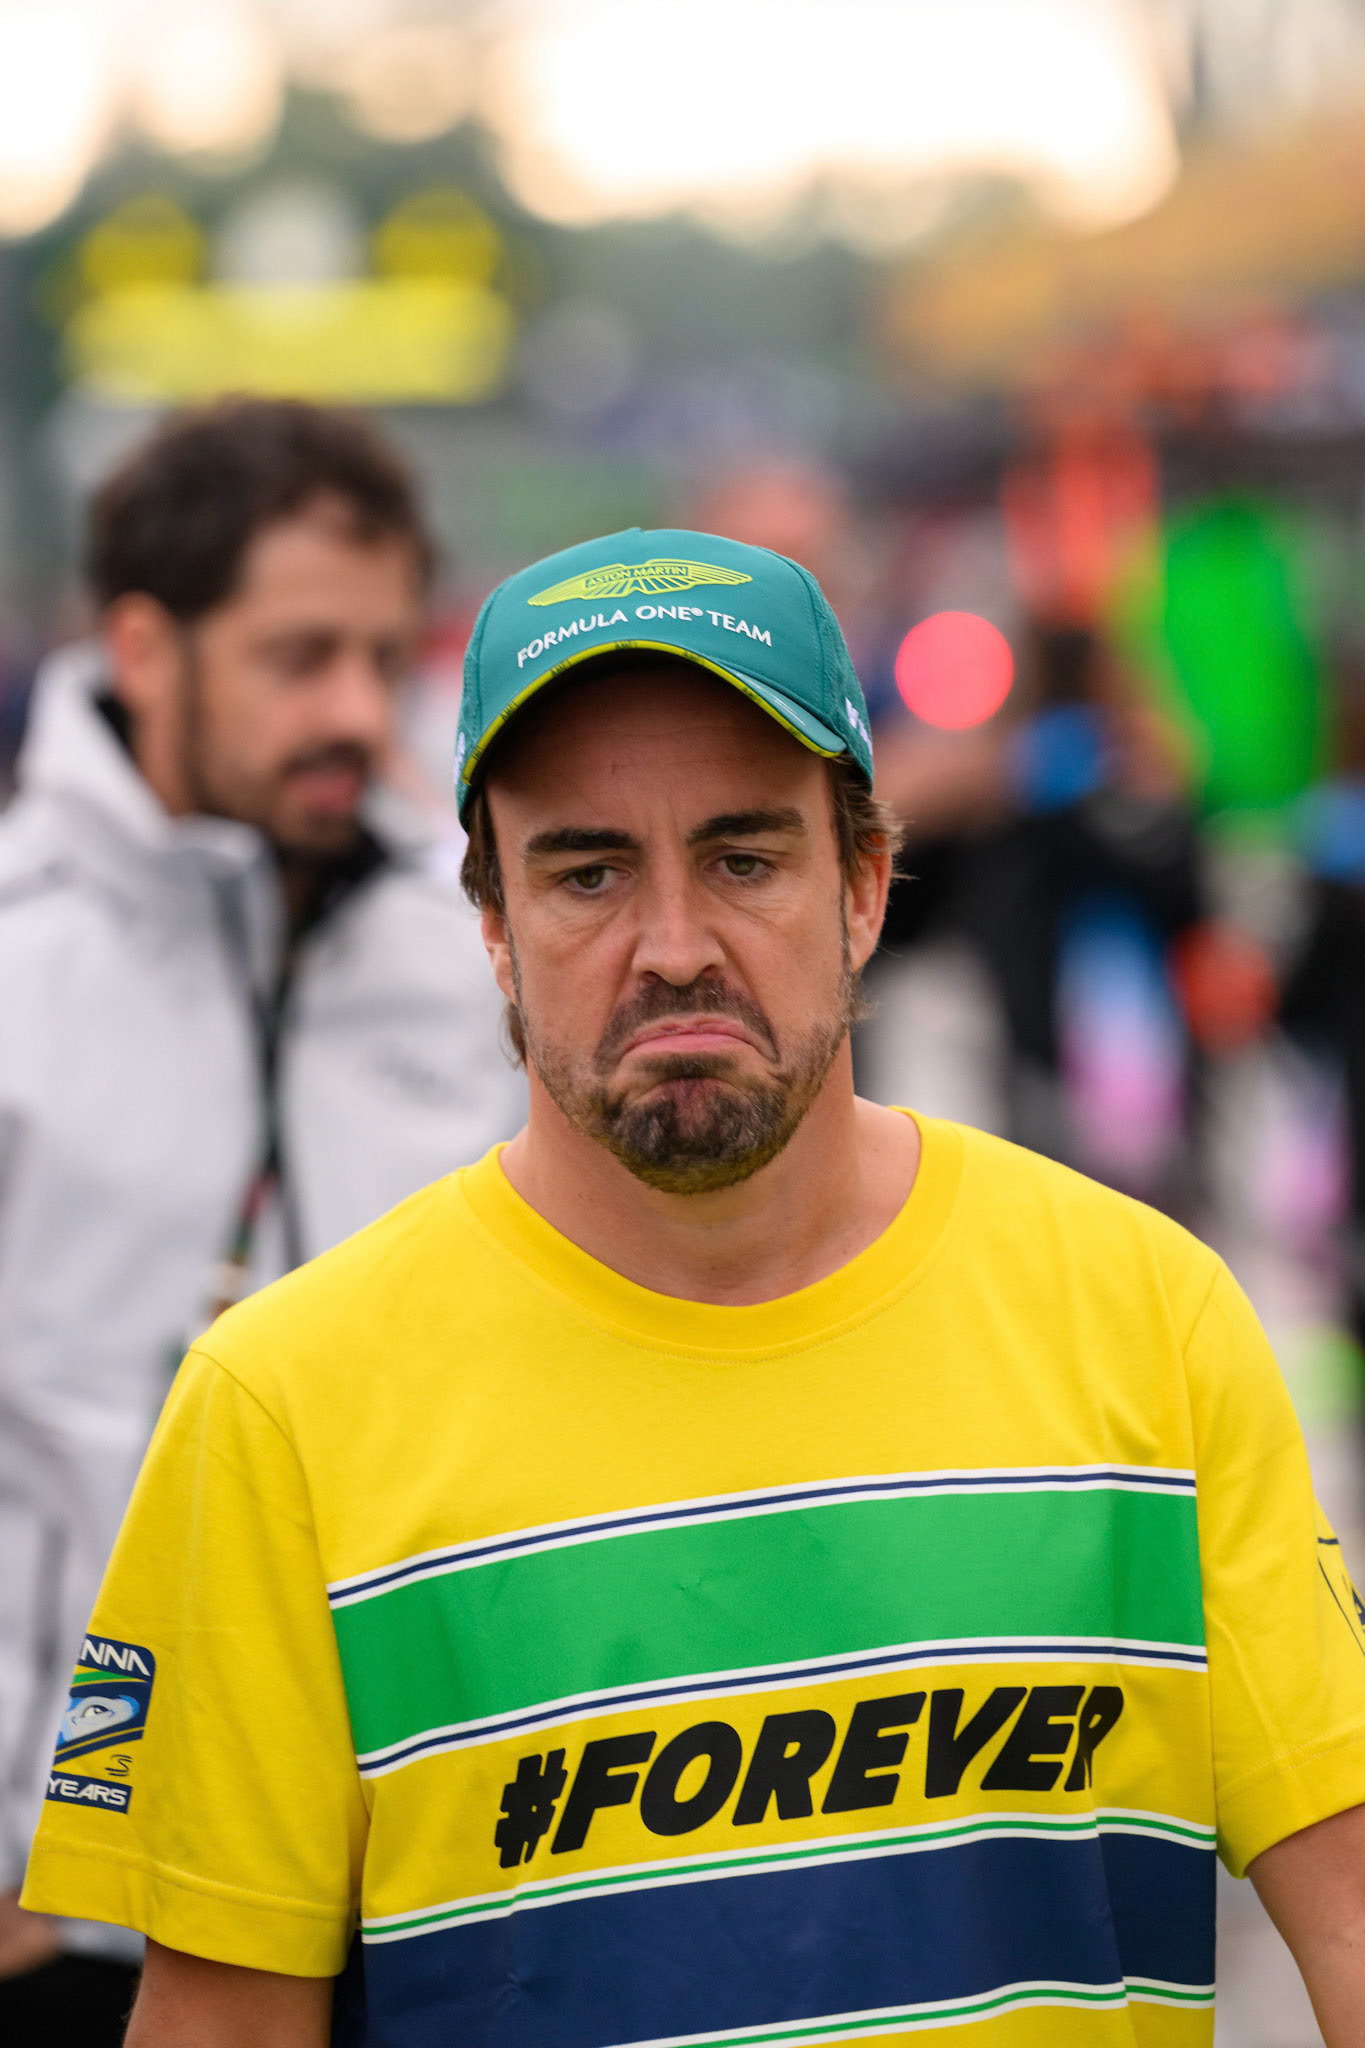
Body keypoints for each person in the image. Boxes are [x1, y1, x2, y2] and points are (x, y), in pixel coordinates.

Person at [20, 525, 1365, 2047]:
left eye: (742, 858)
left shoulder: (1144, 1317)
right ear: (492, 927)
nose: (672, 949)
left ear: (862, 885)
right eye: (586, 872)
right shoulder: (282, 1409)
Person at [0, 400, 523, 2039]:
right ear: (144, 647)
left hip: (453, 1878)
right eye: (300, 657)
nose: (358, 713)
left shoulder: (480, 954)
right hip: (74, 1918)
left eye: (384, 655)